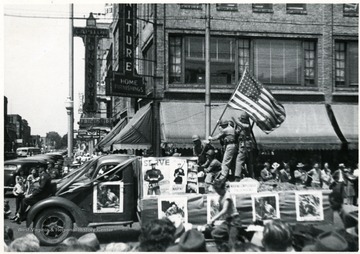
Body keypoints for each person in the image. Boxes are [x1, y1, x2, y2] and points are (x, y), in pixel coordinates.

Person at [209, 179, 244, 251]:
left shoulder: (227, 195)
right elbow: (220, 211)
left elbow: (224, 210)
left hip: (234, 221)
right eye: (216, 191)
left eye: (218, 190)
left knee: (232, 244)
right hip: (227, 221)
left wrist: (213, 219)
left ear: (223, 188)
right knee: (215, 233)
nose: (217, 192)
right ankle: (223, 249)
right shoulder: (220, 197)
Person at [232, 112, 255, 181]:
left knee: (239, 160)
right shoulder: (242, 127)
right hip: (242, 144)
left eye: (242, 119)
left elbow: (242, 125)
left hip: (245, 145)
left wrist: (235, 121)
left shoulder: (247, 125)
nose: (241, 120)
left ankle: (237, 176)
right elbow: (236, 132)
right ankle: (250, 175)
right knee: (248, 161)